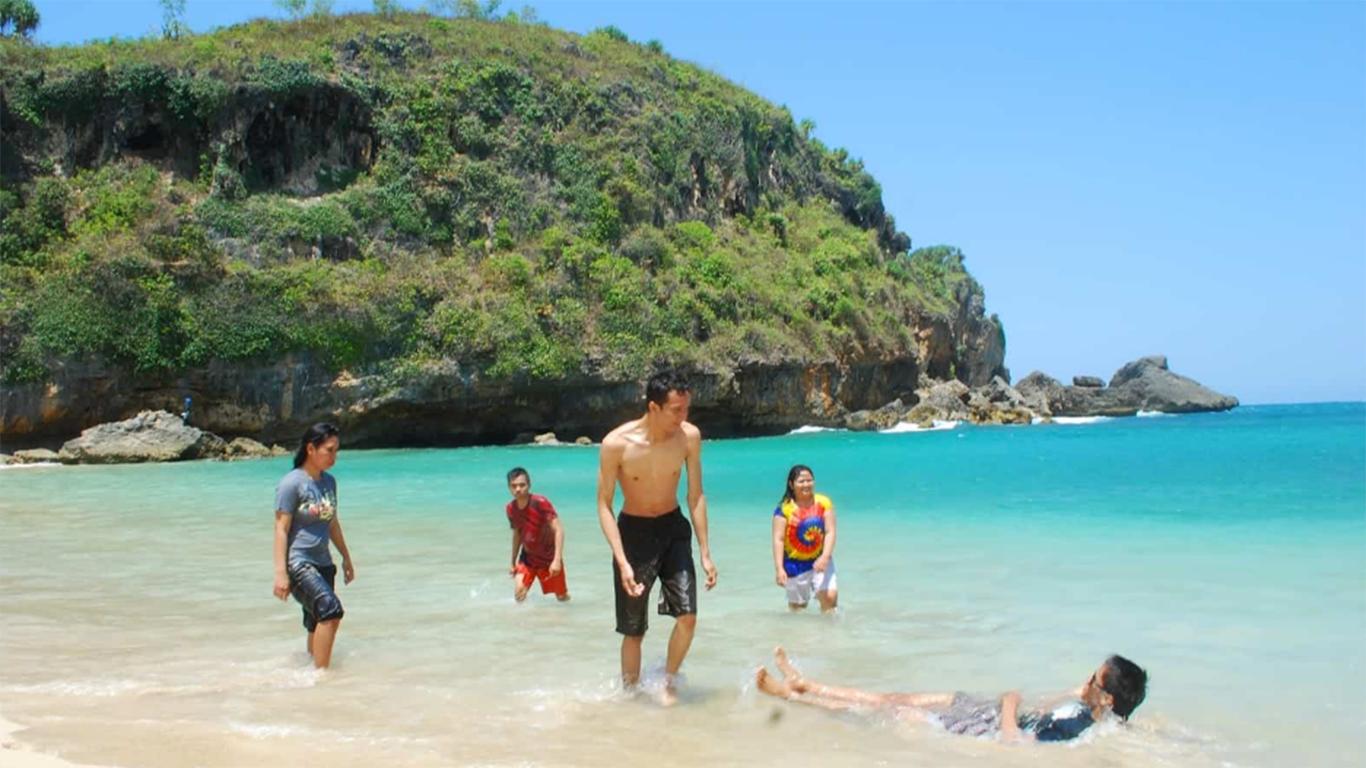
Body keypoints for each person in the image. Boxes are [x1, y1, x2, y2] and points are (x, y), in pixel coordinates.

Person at [597, 370, 718, 705]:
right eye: (676, 410)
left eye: (686, 409)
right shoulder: (616, 444)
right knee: (634, 630)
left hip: (673, 529)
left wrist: (705, 551)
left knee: (688, 617)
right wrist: (621, 561)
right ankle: (631, 697)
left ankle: (667, 679)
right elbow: (604, 505)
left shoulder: (688, 438)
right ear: (653, 407)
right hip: (633, 535)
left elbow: (696, 496)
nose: (684, 417)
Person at [754, 647, 1147, 743]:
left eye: (1092, 678)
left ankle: (792, 696)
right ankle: (808, 683)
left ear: (1109, 699)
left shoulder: (1084, 734)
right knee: (894, 696)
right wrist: (1074, 691)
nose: (1085, 682)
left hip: (977, 726)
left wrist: (1009, 705)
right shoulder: (1086, 707)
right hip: (982, 707)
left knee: (879, 713)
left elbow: (1016, 747)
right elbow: (1041, 709)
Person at [272, 422, 355, 669]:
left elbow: (332, 524)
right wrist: (280, 573)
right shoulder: (291, 483)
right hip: (300, 563)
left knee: (316, 621)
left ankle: (309, 674)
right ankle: (322, 676)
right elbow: (281, 529)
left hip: (324, 563)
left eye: (336, 451)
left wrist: (346, 558)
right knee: (331, 611)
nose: (334, 457)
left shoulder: (329, 482)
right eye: (329, 450)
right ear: (311, 448)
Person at [772, 465, 838, 612]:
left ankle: (830, 632)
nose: (806, 484)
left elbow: (830, 531)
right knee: (799, 608)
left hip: (820, 559)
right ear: (791, 484)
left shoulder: (824, 503)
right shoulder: (783, 510)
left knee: (830, 598)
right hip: (795, 565)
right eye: (801, 481)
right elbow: (778, 540)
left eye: (809, 480)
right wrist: (779, 569)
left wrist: (825, 557)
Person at [505, 467, 569, 602]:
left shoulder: (540, 503)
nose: (518, 489)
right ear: (509, 487)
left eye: (522, 485)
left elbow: (559, 530)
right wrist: (512, 561)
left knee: (561, 597)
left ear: (529, 485)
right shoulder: (510, 509)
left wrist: (557, 560)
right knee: (519, 594)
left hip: (548, 558)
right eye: (514, 486)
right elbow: (517, 534)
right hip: (527, 558)